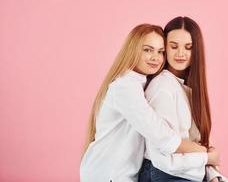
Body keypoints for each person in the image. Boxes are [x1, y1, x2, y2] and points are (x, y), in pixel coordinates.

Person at [80, 24, 208, 182]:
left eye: (160, 52)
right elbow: (161, 135)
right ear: (133, 50)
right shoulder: (125, 86)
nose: (155, 58)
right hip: (107, 173)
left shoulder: (142, 83)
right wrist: (204, 154)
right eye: (147, 50)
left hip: (123, 174)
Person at [138, 17, 228, 182]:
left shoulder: (187, 88)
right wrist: (207, 158)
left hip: (184, 172)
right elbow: (163, 158)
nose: (180, 54)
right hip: (162, 173)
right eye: (173, 47)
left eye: (188, 48)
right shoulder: (163, 87)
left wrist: (212, 175)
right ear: (164, 48)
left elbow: (197, 143)